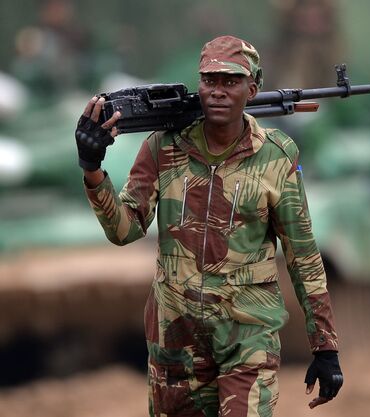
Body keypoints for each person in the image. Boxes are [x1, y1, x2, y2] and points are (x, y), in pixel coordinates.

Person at [75, 35, 343, 416]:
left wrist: (325, 346)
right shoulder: (162, 148)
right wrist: (92, 169)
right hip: (175, 343)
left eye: (230, 82)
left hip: (247, 337)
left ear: (252, 88)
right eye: (210, 81)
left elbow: (302, 254)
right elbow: (125, 230)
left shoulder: (277, 156)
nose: (218, 91)